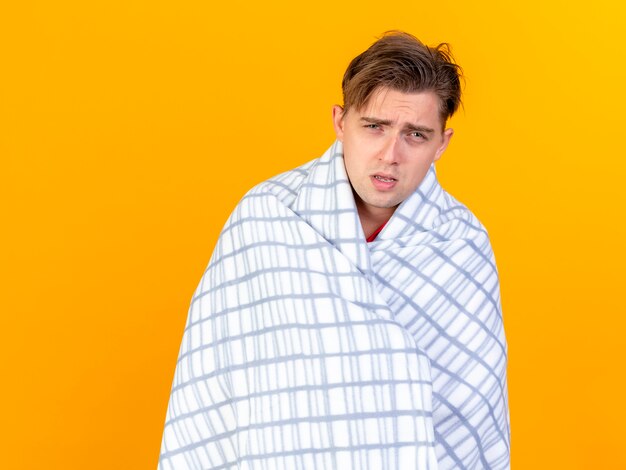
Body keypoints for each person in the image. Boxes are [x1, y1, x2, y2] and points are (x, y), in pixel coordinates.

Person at [158, 31, 510, 470]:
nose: (390, 154)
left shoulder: (461, 242)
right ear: (340, 122)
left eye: (415, 135)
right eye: (374, 126)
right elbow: (209, 386)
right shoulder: (268, 217)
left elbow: (473, 418)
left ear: (442, 143)